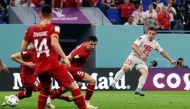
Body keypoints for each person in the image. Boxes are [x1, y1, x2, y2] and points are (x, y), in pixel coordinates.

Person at [20, 5, 86, 109]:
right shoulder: (54, 28)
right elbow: (54, 43)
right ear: (52, 15)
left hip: (39, 67)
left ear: (40, 15)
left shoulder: (30, 30)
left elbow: (22, 49)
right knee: (73, 85)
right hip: (52, 64)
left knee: (45, 90)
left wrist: (34, 47)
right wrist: (64, 57)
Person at [109, 27, 176, 96]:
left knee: (145, 73)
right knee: (126, 68)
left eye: (153, 34)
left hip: (141, 61)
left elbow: (162, 52)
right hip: (133, 56)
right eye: (149, 33)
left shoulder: (155, 44)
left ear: (155, 35)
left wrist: (171, 60)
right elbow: (134, 46)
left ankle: (138, 89)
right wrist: (141, 54)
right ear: (148, 33)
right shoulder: (142, 38)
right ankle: (113, 83)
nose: (151, 35)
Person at [48, 36, 98, 109]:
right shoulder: (81, 52)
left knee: (66, 88)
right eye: (91, 44)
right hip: (72, 70)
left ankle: (49, 100)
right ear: (87, 42)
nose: (93, 46)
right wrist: (59, 64)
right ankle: (86, 103)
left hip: (74, 69)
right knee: (92, 81)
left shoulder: (86, 46)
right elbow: (68, 58)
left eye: (95, 44)